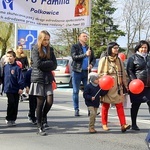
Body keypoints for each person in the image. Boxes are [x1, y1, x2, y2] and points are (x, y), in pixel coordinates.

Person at [29, 30, 57, 136]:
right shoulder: (35, 48)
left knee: (50, 101)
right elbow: (37, 63)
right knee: (40, 103)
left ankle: (43, 116)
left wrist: (47, 64)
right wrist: (49, 63)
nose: (46, 42)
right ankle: (39, 126)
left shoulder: (51, 49)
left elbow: (55, 64)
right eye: (45, 39)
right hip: (38, 78)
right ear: (40, 39)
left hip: (48, 78)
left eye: (48, 40)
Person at [98, 42, 130, 132]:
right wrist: (104, 81)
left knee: (119, 105)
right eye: (115, 48)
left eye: (117, 48)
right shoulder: (104, 59)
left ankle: (123, 124)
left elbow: (123, 73)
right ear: (110, 49)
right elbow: (100, 73)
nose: (117, 49)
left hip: (118, 85)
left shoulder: (119, 60)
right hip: (107, 85)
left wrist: (125, 84)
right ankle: (104, 124)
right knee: (105, 105)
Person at [126, 40, 150, 131]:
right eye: (142, 47)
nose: (144, 49)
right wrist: (135, 81)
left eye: (146, 47)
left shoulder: (149, 58)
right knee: (136, 105)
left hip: (148, 86)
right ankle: (134, 124)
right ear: (138, 48)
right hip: (137, 86)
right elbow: (129, 70)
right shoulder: (133, 58)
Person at [71, 32, 96, 116]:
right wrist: (85, 54)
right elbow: (74, 57)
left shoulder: (89, 48)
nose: (86, 37)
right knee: (75, 91)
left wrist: (91, 64)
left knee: (88, 91)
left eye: (86, 36)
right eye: (84, 36)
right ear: (79, 38)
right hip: (77, 71)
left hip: (86, 72)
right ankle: (76, 109)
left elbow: (93, 59)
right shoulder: (75, 47)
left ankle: (90, 109)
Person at [3, 51, 24, 126]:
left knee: (15, 104)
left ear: (14, 58)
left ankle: (13, 119)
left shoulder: (17, 68)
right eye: (8, 56)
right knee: (11, 102)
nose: (9, 58)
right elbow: (3, 78)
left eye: (11, 56)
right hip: (8, 89)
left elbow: (20, 79)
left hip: (16, 88)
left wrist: (21, 88)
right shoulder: (5, 67)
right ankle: (8, 118)